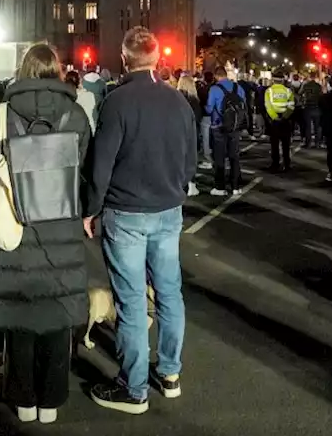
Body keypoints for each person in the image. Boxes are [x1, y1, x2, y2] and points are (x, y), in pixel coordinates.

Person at [0, 45, 91, 424]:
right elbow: (85, 168)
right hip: (62, 221)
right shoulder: (75, 113)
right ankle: (51, 400)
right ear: (57, 70)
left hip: (17, 221)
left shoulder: (4, 113)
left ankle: (23, 398)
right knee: (57, 313)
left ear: (24, 69)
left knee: (19, 314)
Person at [85, 27, 196, 415]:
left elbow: (102, 163)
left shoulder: (117, 102)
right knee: (169, 294)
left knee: (131, 301)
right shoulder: (178, 101)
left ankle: (134, 389)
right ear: (156, 57)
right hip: (168, 210)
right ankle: (169, 373)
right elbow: (190, 161)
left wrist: (91, 208)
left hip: (127, 212)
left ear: (124, 56)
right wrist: (176, 189)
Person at [205, 66, 248, 196]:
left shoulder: (214, 89)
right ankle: (235, 186)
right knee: (234, 156)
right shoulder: (238, 88)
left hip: (218, 126)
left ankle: (220, 187)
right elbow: (243, 105)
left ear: (217, 76)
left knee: (219, 157)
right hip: (235, 126)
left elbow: (209, 108)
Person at [176, 74, 203, 195]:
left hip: (177, 132)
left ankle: (179, 184)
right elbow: (198, 118)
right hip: (192, 132)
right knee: (191, 160)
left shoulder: (174, 98)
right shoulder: (194, 100)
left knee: (178, 159)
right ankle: (191, 185)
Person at [263, 72, 296, 171]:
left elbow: (268, 106)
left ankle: (275, 164)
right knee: (286, 144)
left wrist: (274, 117)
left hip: (274, 121)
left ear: (273, 80)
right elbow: (291, 106)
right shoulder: (288, 91)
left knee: (275, 144)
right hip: (285, 120)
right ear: (282, 80)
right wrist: (285, 117)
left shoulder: (269, 91)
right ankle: (287, 164)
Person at [296, 71, 323, 148]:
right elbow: (321, 96)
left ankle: (308, 143)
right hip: (317, 108)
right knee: (317, 127)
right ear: (315, 77)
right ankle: (317, 143)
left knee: (308, 127)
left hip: (308, 108)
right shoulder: (318, 86)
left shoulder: (306, 85)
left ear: (309, 77)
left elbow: (299, 93)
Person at [65, 69, 97, 133]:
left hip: (69, 132)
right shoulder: (89, 95)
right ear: (79, 81)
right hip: (88, 129)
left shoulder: (64, 96)